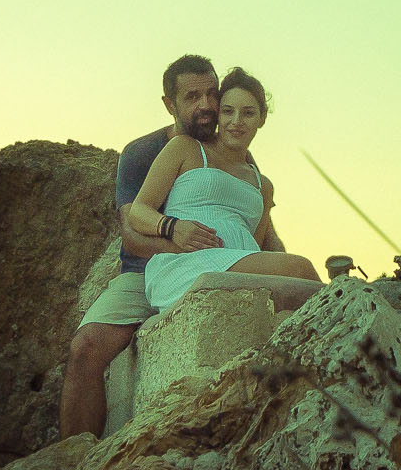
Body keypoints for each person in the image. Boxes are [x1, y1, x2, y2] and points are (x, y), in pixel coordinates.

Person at [59, 54, 289, 439]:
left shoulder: (239, 155)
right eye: (192, 97)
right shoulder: (144, 152)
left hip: (219, 258)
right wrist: (179, 239)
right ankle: (72, 456)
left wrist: (274, 261)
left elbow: (259, 228)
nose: (206, 105)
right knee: (86, 347)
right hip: (145, 268)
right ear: (170, 104)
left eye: (211, 94)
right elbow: (132, 234)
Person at [129, 64, 321, 312]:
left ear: (262, 119)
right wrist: (173, 227)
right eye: (228, 111)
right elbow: (138, 211)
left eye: (248, 113)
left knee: (298, 292)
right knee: (300, 269)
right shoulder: (185, 148)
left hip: (240, 267)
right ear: (218, 114)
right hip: (189, 264)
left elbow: (254, 243)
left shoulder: (263, 185)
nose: (236, 122)